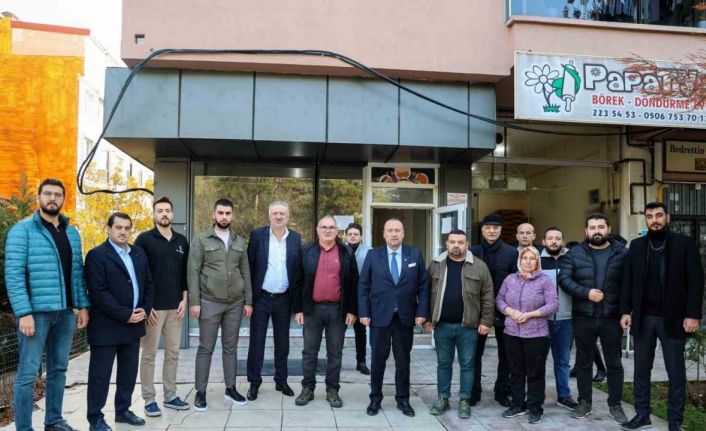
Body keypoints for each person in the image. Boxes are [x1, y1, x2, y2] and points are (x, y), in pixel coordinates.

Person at [5, 178, 90, 431]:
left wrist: (83, 305)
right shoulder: (22, 230)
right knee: (28, 374)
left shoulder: (71, 233)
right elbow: (14, 275)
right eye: (48, 194)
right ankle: (24, 427)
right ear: (38, 198)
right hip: (36, 314)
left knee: (59, 369)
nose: (53, 198)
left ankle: (53, 421)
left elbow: (77, 273)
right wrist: (24, 312)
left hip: (65, 313)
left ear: (63, 199)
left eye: (57, 195)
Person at [620, 202, 704, 431]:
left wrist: (693, 315)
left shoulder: (684, 244)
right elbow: (628, 280)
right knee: (640, 370)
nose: (654, 220)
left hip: (673, 318)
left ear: (668, 217)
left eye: (659, 215)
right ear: (645, 219)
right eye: (650, 216)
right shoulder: (637, 246)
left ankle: (675, 422)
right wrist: (625, 311)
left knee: (675, 372)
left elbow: (696, 281)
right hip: (644, 318)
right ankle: (642, 415)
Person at [85, 212, 154, 431]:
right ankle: (95, 418)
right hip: (106, 327)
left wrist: (145, 309)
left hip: (134, 326)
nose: (123, 232)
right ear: (109, 229)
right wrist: (125, 314)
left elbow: (149, 284)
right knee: (100, 376)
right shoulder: (97, 255)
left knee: (128, 373)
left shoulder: (138, 253)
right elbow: (98, 292)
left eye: (127, 228)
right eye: (118, 227)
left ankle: (123, 411)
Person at [558, 213, 628, 424]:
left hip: (612, 317)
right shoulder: (575, 253)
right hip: (584, 316)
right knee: (583, 362)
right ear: (586, 231)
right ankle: (584, 402)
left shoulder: (622, 253)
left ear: (609, 229)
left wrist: (626, 311)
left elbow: (630, 283)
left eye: (600, 227)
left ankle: (615, 405)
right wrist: (586, 293)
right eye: (592, 227)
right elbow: (564, 279)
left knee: (614, 362)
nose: (596, 231)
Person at [359, 218, 429, 417]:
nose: (394, 234)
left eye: (397, 230)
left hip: (405, 317)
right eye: (389, 230)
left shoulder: (414, 254)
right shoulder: (373, 255)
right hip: (379, 317)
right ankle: (375, 399)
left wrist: (422, 312)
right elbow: (363, 285)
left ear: (403, 234)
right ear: (384, 234)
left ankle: (403, 400)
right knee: (377, 361)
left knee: (403, 361)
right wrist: (363, 312)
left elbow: (423, 286)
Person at [187, 198, 253, 411]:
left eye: (228, 213)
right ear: (214, 214)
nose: (224, 217)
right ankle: (200, 391)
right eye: (220, 213)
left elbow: (246, 272)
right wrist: (195, 302)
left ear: (232, 216)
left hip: (235, 303)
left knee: (230, 348)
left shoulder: (239, 241)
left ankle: (230, 388)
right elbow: (193, 272)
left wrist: (248, 300)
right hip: (209, 302)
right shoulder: (201, 240)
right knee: (206, 347)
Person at [425, 229, 494, 419]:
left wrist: (486, 321)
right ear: (447, 244)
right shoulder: (436, 265)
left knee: (468, 365)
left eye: (460, 242)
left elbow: (488, 296)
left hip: (468, 327)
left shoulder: (479, 266)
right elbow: (425, 293)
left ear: (467, 244)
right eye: (453, 242)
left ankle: (464, 400)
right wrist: (427, 318)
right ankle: (443, 398)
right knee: (443, 364)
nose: (456, 245)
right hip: (442, 325)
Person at [293, 216, 358, 408]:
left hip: (337, 310)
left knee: (335, 352)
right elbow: (297, 281)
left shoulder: (346, 252)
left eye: (331, 227)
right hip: (312, 309)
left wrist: (352, 310)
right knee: (309, 352)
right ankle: (308, 388)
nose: (327, 230)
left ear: (337, 231)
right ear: (317, 230)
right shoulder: (306, 251)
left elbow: (354, 283)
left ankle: (332, 389)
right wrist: (298, 309)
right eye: (324, 227)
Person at [136, 196, 191, 416]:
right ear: (154, 214)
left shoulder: (181, 241)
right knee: (149, 354)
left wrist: (185, 299)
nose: (164, 214)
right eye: (160, 211)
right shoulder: (144, 240)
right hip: (153, 309)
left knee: (173, 353)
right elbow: (139, 274)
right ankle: (149, 399)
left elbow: (185, 274)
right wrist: (146, 305)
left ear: (173, 214)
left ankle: (170, 396)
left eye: (167, 210)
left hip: (175, 308)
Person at [246, 200, 303, 400]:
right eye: (275, 213)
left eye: (282, 213)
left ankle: (281, 380)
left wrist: (298, 305)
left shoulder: (295, 238)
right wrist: (248, 300)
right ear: (269, 215)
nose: (278, 216)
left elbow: (298, 272)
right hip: (261, 298)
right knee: (257, 343)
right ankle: (254, 383)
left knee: (283, 343)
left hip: (284, 299)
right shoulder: (257, 235)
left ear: (288, 216)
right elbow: (249, 267)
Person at [496, 246, 558, 424]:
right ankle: (518, 404)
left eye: (532, 258)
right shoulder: (510, 279)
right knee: (515, 371)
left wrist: (531, 314)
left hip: (536, 334)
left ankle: (535, 407)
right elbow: (499, 299)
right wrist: (510, 311)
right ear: (520, 260)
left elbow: (553, 304)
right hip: (511, 332)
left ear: (537, 261)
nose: (528, 261)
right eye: (525, 258)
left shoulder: (544, 280)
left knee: (535, 373)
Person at [469, 213, 517, 407]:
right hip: (477, 310)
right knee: (474, 353)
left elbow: (515, 283)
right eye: (488, 228)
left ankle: (502, 391)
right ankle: (474, 392)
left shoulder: (511, 253)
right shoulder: (472, 252)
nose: (491, 231)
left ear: (500, 230)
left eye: (495, 228)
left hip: (504, 310)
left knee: (506, 354)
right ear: (482, 231)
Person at [540, 227, 578, 411]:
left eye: (557, 238)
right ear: (543, 242)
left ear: (563, 241)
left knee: (563, 360)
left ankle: (564, 395)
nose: (554, 241)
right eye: (550, 238)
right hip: (541, 320)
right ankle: (537, 393)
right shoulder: (536, 260)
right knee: (538, 360)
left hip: (566, 319)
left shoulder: (572, 259)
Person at [345, 222, 372, 375]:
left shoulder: (369, 252)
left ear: (361, 236)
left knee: (360, 332)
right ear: (345, 236)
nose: (353, 236)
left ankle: (361, 361)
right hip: (343, 298)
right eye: (350, 234)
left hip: (361, 298)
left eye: (356, 234)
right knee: (337, 332)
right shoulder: (340, 250)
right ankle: (333, 359)